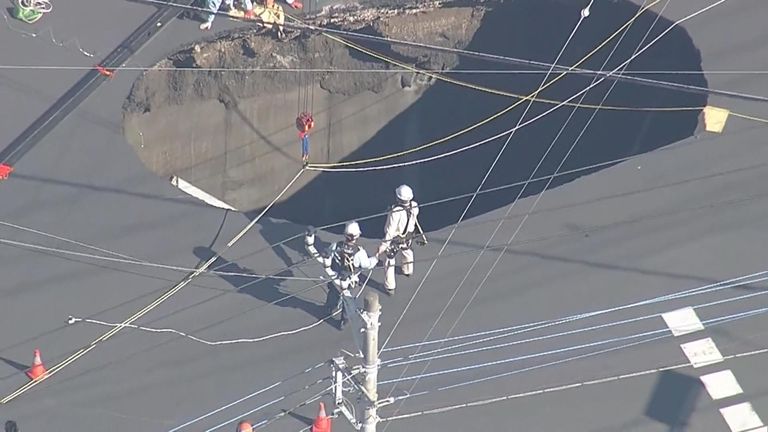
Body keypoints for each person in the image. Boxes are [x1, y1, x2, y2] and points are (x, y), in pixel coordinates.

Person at [305, 221, 378, 328]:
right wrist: (375, 258)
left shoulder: (336, 245)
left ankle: (328, 309)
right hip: (350, 282)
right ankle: (344, 321)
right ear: (357, 236)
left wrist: (310, 240)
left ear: (345, 234)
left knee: (333, 293)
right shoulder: (359, 253)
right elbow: (367, 265)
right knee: (348, 301)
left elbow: (327, 256)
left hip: (335, 277)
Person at [376, 184, 424, 295]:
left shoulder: (396, 212)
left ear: (398, 198)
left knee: (389, 260)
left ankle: (390, 286)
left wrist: (384, 244)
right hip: (408, 235)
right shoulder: (414, 206)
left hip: (395, 239)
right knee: (407, 250)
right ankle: (408, 270)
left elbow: (390, 229)